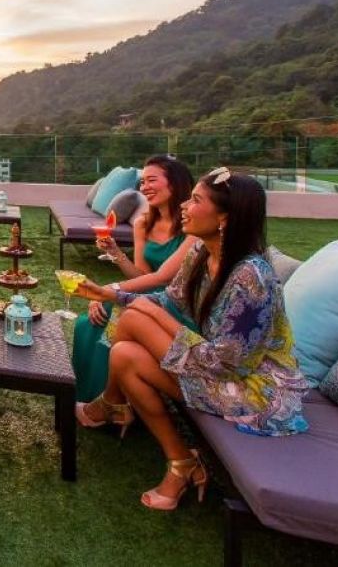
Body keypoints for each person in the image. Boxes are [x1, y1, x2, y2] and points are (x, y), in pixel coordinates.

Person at [71, 168, 308, 510]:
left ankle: (110, 405)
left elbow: (226, 364)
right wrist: (111, 294)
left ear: (224, 217)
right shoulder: (201, 253)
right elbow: (169, 300)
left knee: (137, 317)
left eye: (195, 200)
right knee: (124, 353)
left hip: (254, 390)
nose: (185, 206)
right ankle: (181, 461)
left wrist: (153, 314)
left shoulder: (251, 278)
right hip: (217, 367)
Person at [72, 155, 196, 402]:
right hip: (148, 295)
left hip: (176, 305)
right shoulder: (143, 224)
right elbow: (142, 276)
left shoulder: (193, 227)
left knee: (110, 316)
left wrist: (106, 291)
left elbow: (162, 278)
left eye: (152, 180)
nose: (145, 187)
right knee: (87, 323)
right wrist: (116, 253)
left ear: (175, 183)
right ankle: (85, 396)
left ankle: (109, 403)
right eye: (143, 182)